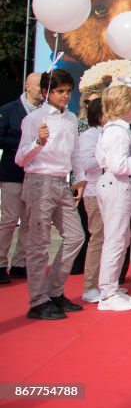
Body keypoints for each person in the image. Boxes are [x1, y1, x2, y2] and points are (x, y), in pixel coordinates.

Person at [15, 69, 86, 320]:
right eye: (59, 91)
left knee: (76, 236)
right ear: (46, 92)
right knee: (39, 243)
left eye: (68, 91)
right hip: (39, 181)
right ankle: (37, 300)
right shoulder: (34, 119)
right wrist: (37, 142)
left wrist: (80, 177)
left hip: (62, 183)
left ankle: (54, 291)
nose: (65, 96)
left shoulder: (70, 119)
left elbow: (75, 152)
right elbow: (20, 158)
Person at [94, 85, 131, 312]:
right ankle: (107, 292)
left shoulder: (115, 129)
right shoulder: (117, 131)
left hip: (116, 185)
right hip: (116, 185)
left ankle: (111, 287)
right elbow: (118, 165)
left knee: (119, 238)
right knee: (115, 239)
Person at [0, 72, 42, 284]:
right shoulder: (8, 110)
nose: (42, 89)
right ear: (27, 86)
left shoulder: (45, 113)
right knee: (8, 220)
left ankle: (19, 263)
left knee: (28, 220)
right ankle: (0, 263)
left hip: (34, 173)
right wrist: (25, 147)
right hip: (12, 172)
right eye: (38, 85)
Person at [72, 99, 104, 304]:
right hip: (94, 191)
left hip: (115, 191)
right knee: (98, 237)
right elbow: (85, 164)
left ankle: (106, 283)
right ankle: (90, 286)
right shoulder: (89, 135)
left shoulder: (117, 132)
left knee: (113, 239)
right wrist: (107, 156)